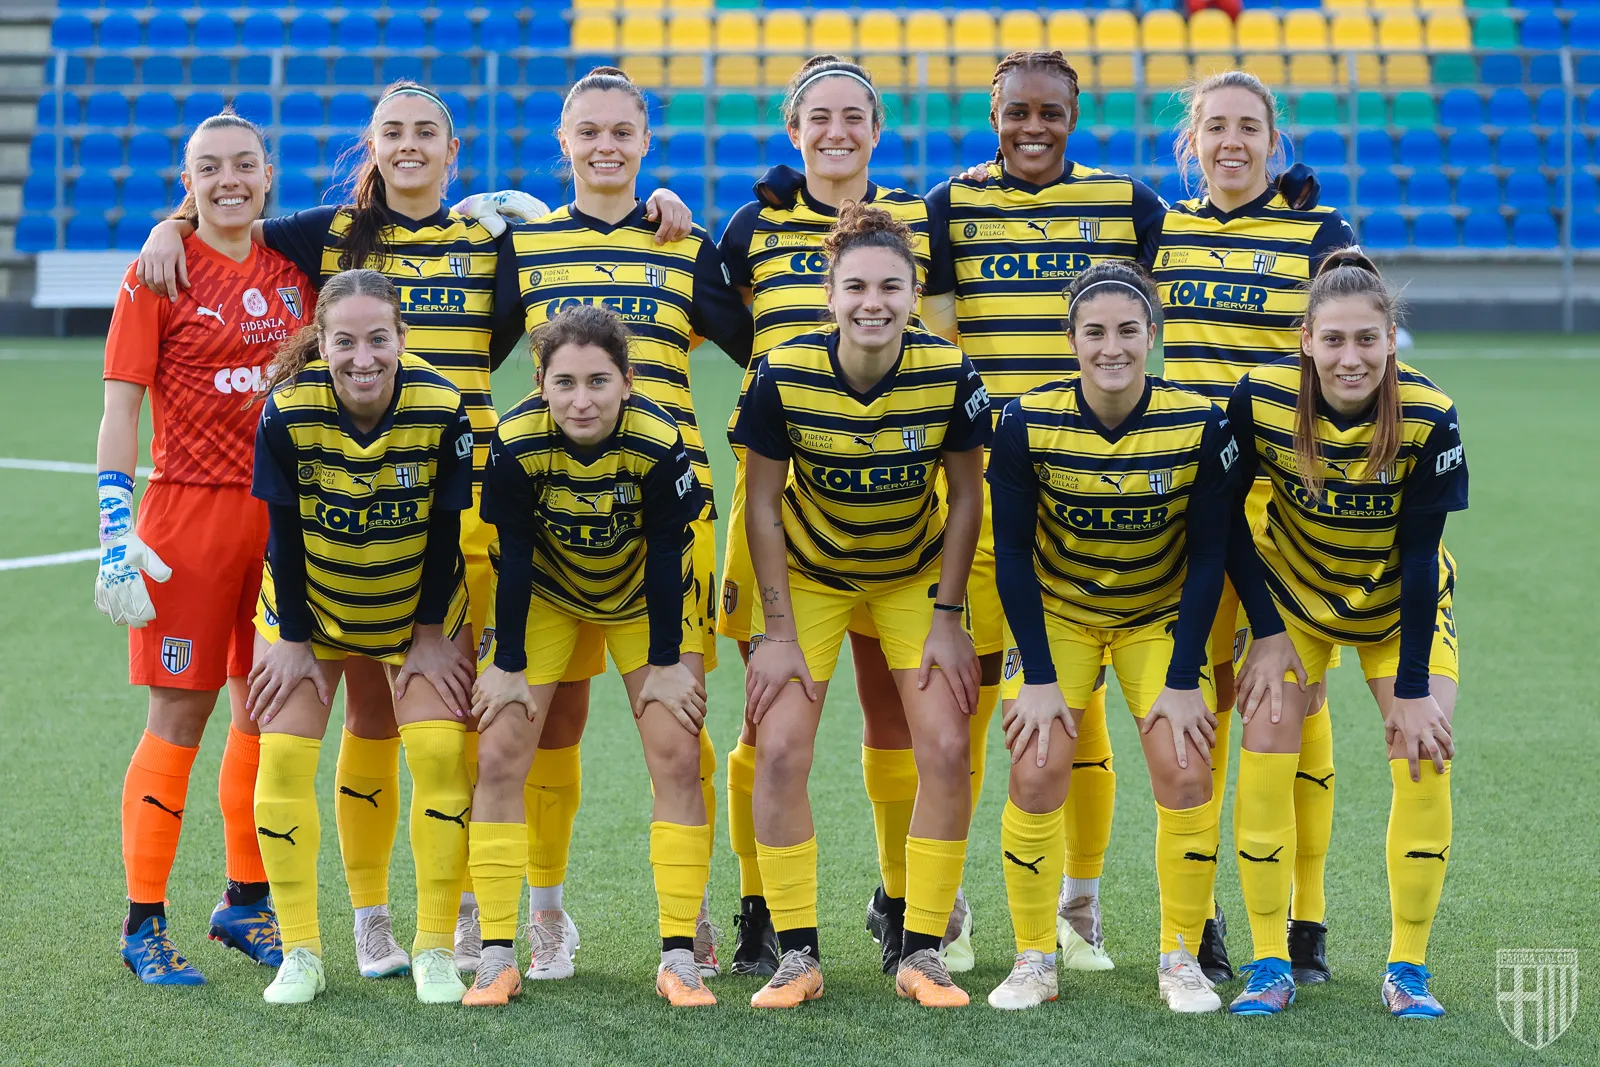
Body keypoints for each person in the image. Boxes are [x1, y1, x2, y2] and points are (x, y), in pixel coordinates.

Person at [137, 80, 690, 977]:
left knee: (502, 716)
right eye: (391, 131)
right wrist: (172, 223)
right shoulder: (330, 233)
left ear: (451, 150)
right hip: (368, 510)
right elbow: (227, 217)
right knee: (376, 715)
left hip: (475, 506)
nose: (408, 145)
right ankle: (373, 917)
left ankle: (486, 910)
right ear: (373, 144)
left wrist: (661, 204)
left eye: (425, 132)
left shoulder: (490, 241)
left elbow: (574, 264)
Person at [494, 65, 753, 982]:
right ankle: (545, 916)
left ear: (646, 143)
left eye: (622, 131)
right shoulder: (525, 248)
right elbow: (456, 349)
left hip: (668, 524)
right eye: (589, 130)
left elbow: (761, 348)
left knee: (675, 725)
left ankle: (688, 917)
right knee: (548, 725)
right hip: (551, 523)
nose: (605, 145)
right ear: (563, 142)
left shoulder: (683, 243)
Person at [716, 54, 971, 978]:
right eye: (817, 116)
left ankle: (908, 912)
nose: (836, 130)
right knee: (768, 727)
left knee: (900, 718)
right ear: (793, 130)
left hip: (900, 502)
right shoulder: (752, 223)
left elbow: (947, 326)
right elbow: (713, 314)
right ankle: (764, 909)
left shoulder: (920, 223)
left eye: (853, 115)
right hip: (787, 502)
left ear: (876, 128)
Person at [921, 50, 1169, 971]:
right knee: (970, 710)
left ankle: (1080, 904)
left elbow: (1203, 257)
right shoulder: (949, 206)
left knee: (1079, 714)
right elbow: (933, 334)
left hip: (1090, 497)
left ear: (1075, 114)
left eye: (1050, 112)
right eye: (1017, 111)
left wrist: (1294, 195)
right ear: (993, 116)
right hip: (982, 496)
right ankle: (943, 909)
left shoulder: (1129, 205)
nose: (1033, 127)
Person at [986, 262, 1249, 1013]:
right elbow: (1012, 556)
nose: (1112, 347)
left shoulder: (1200, 423)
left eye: (1128, 331)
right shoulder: (1025, 422)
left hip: (1156, 617)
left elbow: (1209, 556)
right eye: (1095, 332)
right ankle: (1034, 957)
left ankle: (1180, 955)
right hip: (1059, 616)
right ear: (1070, 338)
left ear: (1153, 335)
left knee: (1187, 767)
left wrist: (1183, 678)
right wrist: (1038, 679)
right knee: (1036, 765)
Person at [1147, 69, 1356, 985]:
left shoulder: (1321, 232)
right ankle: (1202, 917)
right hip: (1193, 496)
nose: (1231, 141)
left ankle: (1305, 920)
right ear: (1191, 141)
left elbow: (1357, 347)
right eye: (1215, 127)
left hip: (1290, 501)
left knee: (1295, 701)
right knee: (1205, 704)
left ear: (1275, 140)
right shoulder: (1164, 229)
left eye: (1248, 127)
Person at [1225, 249, 1466, 1018]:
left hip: (1398, 606)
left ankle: (1408, 968)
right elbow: (1225, 522)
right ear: (1306, 339)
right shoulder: (1261, 397)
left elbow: (1422, 556)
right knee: (1266, 749)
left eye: (1367, 339)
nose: (1350, 357)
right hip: (1292, 599)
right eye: (1333, 339)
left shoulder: (1429, 413)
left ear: (1392, 338)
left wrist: (1415, 691)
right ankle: (1270, 960)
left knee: (1424, 756)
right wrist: (1267, 633)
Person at [99, 111, 309, 985]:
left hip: (282, 519)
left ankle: (245, 901)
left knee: (262, 708)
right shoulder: (157, 271)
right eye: (209, 167)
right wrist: (114, 521)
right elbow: (121, 405)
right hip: (187, 519)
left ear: (267, 174)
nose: (229, 180)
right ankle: (143, 919)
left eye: (244, 165)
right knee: (179, 717)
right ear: (187, 183)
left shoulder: (296, 268)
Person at [462, 305, 717, 1008]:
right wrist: (508, 666)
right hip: (547, 592)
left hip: (642, 597)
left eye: (599, 381)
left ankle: (678, 956)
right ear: (540, 383)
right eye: (565, 382)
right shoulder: (515, 441)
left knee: (677, 751)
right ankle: (496, 955)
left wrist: (665, 663)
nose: (582, 399)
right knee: (500, 751)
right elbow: (515, 556)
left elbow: (665, 556)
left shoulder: (658, 441)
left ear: (628, 382)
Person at [246, 268, 480, 1005]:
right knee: (283, 757)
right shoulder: (288, 410)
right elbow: (283, 535)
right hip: (309, 609)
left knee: (439, 752)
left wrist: (429, 637)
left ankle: (434, 946)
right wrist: (292, 640)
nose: (362, 357)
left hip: (416, 608)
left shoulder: (442, 407)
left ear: (401, 338)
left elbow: (445, 532)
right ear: (321, 343)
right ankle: (302, 952)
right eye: (344, 341)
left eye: (378, 339)